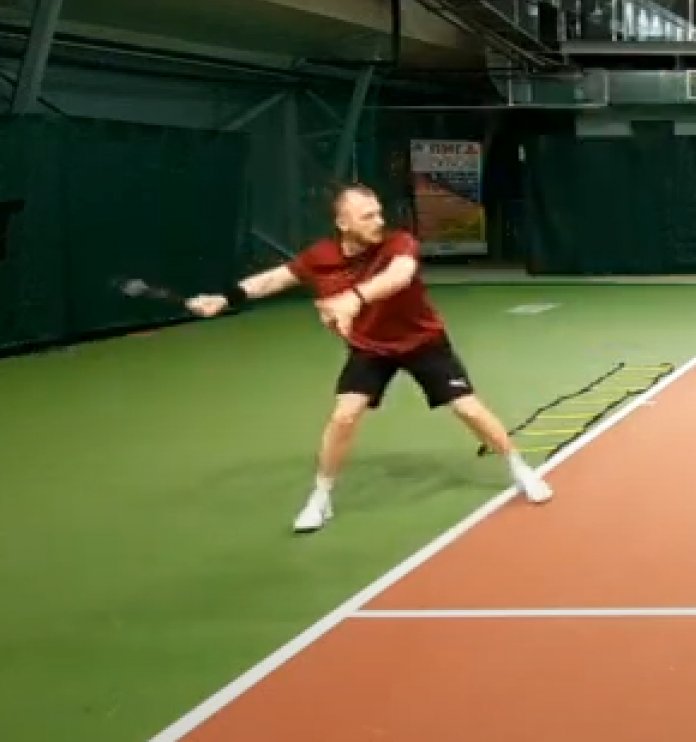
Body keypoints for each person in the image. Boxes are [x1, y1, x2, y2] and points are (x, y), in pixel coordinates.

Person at [186, 183, 553, 532]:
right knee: (344, 416)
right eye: (367, 216)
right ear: (343, 223)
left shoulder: (399, 243)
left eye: (378, 213)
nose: (378, 221)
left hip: (422, 341)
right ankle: (321, 496)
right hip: (371, 348)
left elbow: (399, 276)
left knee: (468, 409)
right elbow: (274, 279)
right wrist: (224, 298)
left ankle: (519, 468)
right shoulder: (321, 257)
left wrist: (353, 299)